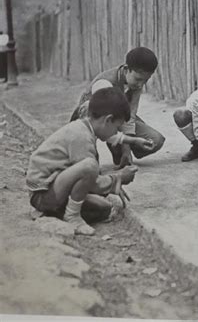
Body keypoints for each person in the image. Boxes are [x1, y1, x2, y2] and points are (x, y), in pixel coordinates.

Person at [26, 87, 144, 235]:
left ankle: (53, 212)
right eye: (116, 127)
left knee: (104, 209)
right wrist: (117, 179)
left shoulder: (88, 127)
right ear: (107, 120)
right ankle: (72, 216)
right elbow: (91, 179)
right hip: (42, 194)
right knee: (90, 166)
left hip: (55, 186)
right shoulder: (80, 136)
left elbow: (110, 137)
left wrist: (112, 184)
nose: (116, 132)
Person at [71, 47, 165, 168]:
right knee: (89, 166)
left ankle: (119, 151)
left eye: (145, 81)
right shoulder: (104, 83)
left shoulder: (136, 84)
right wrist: (124, 142)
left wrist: (126, 150)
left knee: (155, 140)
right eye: (138, 79)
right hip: (94, 118)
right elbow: (103, 120)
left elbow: (130, 117)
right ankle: (90, 155)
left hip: (116, 119)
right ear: (126, 69)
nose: (141, 84)